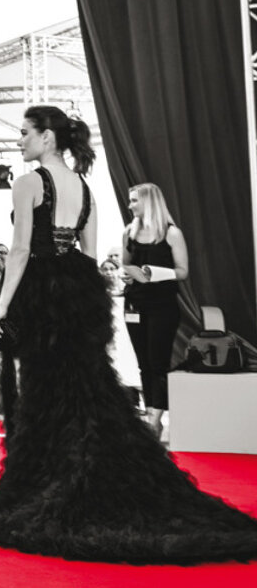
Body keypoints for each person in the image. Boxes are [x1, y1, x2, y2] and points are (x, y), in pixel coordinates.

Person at [0, 105, 257, 564]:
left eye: (25, 133)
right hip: (79, 297)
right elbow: (88, 253)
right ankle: (85, 472)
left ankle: (50, 480)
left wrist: (0, 307)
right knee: (84, 391)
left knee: (45, 394)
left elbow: (20, 250)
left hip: (42, 294)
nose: (19, 141)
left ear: (47, 137)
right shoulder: (85, 188)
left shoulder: (29, 183)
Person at [120, 182, 188, 438]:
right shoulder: (129, 232)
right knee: (143, 364)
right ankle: (151, 413)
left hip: (163, 305)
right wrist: (128, 275)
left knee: (158, 362)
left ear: (149, 202)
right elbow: (126, 265)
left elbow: (183, 271)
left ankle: (156, 419)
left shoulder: (171, 233)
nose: (130, 205)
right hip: (134, 304)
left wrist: (155, 274)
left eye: (134, 200)